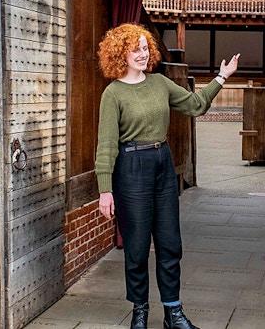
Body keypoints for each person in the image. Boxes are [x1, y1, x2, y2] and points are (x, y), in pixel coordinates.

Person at [95, 23, 239, 329]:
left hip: (162, 162)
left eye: (145, 47)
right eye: (135, 49)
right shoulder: (113, 94)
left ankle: (173, 314)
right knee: (135, 245)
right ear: (121, 53)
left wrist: (222, 76)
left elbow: (196, 106)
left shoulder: (159, 83)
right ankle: (140, 312)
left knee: (170, 241)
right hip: (131, 168)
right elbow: (106, 145)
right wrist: (105, 190)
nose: (142, 53)